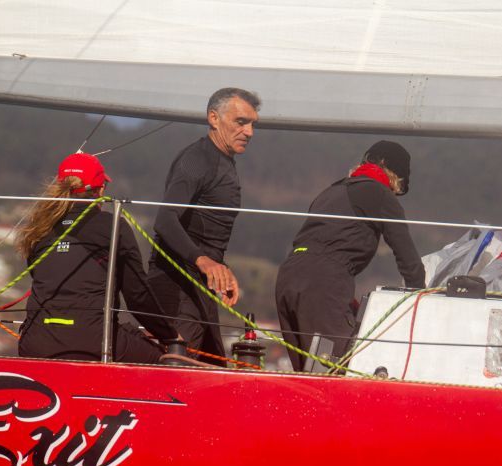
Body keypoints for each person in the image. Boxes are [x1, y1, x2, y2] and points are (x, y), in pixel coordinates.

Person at [275, 140, 426, 371]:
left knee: (306, 374)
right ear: (393, 174)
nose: (395, 192)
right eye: (398, 186)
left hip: (288, 276)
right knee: (334, 372)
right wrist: (420, 299)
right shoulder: (379, 193)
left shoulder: (332, 190)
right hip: (323, 283)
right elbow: (407, 257)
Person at [17, 153, 180, 363]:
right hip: (93, 341)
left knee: (127, 333)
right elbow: (137, 296)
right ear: (100, 190)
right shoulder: (113, 227)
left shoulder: (40, 229)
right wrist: (170, 336)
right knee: (165, 361)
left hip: (35, 343)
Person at [147, 87, 261, 360]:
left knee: (213, 368)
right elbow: (165, 219)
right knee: (179, 369)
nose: (249, 132)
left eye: (252, 124)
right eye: (241, 122)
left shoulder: (224, 161)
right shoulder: (197, 159)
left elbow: (204, 231)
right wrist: (204, 261)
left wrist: (221, 269)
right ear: (214, 118)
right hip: (175, 286)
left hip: (200, 288)